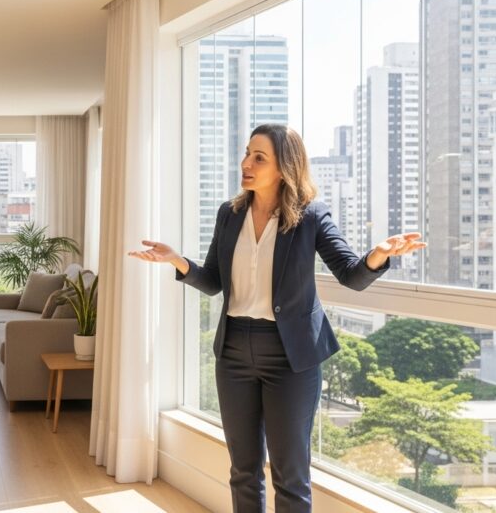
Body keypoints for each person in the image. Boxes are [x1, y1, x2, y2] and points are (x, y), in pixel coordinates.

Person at [129, 124, 425, 512]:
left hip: (290, 357)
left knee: (290, 477)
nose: (246, 164)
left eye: (259, 158)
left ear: (285, 167)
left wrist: (378, 255)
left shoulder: (311, 216)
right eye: (247, 153)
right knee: (243, 470)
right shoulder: (230, 214)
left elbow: (351, 275)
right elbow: (214, 281)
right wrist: (177, 261)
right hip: (234, 351)